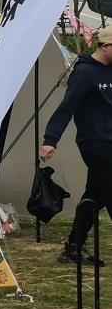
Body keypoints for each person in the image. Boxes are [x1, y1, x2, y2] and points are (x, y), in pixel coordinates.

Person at [41, 27, 112, 264]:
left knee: (96, 196)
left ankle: (73, 248)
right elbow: (66, 108)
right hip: (95, 143)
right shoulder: (84, 73)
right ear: (106, 46)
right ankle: (73, 247)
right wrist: (51, 140)